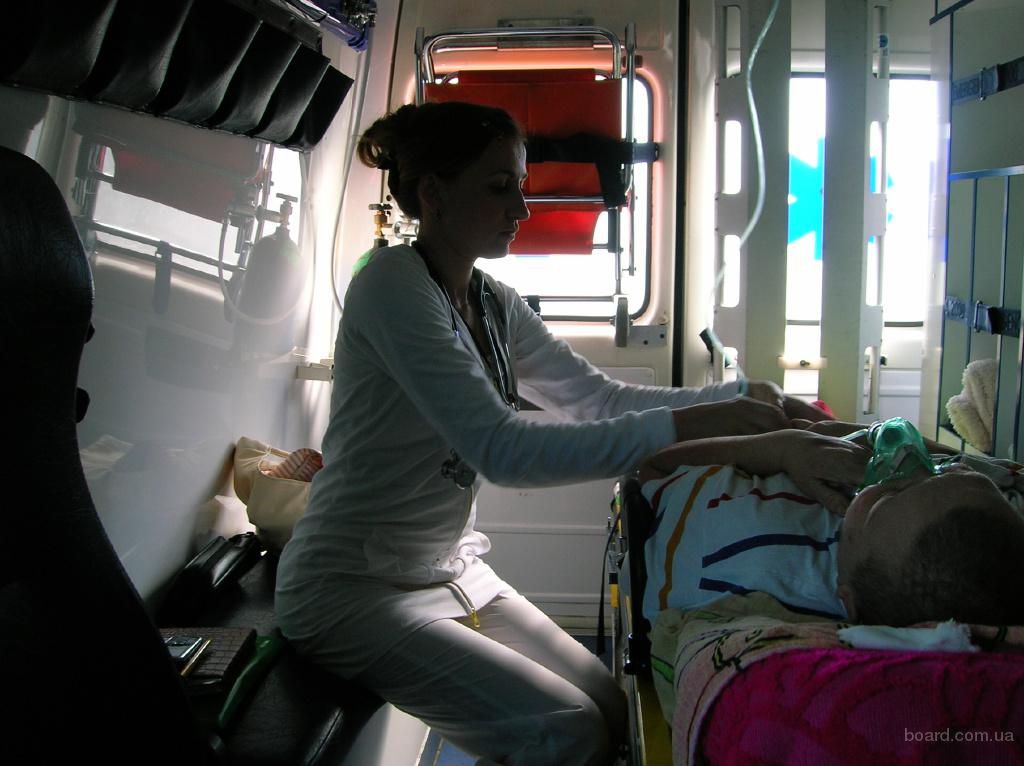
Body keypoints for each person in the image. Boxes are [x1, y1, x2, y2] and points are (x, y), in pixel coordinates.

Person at [275, 100, 813, 766]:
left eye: (521, 186)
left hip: (449, 568)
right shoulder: (389, 285)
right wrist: (701, 423)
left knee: (614, 707)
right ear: (434, 194)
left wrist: (740, 398)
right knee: (570, 732)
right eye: (500, 187)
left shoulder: (493, 302)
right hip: (351, 589)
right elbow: (503, 451)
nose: (522, 209)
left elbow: (598, 399)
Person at [637, 424, 1024, 628]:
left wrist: (783, 446)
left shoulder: (757, 582)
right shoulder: (886, 541)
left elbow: (653, 468)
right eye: (943, 471)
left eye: (885, 498)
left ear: (849, 601)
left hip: (666, 514)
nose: (908, 463)